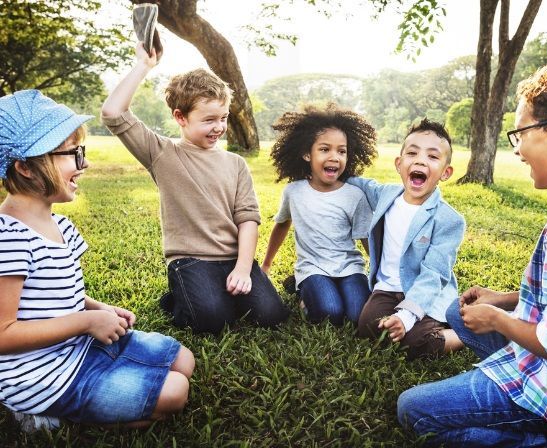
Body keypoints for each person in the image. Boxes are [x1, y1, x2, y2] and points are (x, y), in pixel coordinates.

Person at [397, 57, 547, 447]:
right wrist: (504, 299)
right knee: (456, 313)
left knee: (415, 411)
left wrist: (499, 319)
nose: (517, 150)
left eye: (519, 134)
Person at [0, 90, 194, 431]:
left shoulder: (61, 225)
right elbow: (4, 333)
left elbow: (57, 295)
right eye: (73, 154)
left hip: (80, 347)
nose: (84, 163)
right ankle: (47, 417)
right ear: (26, 167)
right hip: (44, 377)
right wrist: (85, 323)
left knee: (184, 361)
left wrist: (96, 308)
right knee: (175, 392)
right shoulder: (9, 239)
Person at [101, 43, 289, 335]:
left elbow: (248, 219)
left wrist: (242, 268)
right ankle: (178, 297)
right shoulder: (161, 153)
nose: (219, 127)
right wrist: (144, 66)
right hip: (190, 260)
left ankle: (219, 292)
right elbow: (113, 113)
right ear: (180, 117)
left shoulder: (236, 163)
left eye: (223, 118)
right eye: (209, 120)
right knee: (212, 321)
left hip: (232, 257)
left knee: (272, 315)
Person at [347, 119, 465, 359]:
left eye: (433, 157)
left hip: (426, 292)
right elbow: (358, 182)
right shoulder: (386, 195)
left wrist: (406, 315)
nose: (420, 160)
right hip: (387, 289)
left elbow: (434, 274)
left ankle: (461, 333)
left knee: (415, 341)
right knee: (368, 327)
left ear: (446, 172)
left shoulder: (449, 220)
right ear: (399, 164)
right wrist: (330, 171)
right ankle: (408, 324)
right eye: (412, 153)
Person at [260, 104, 376, 325]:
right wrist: (266, 265)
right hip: (313, 267)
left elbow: (365, 237)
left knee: (356, 316)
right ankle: (304, 292)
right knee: (329, 312)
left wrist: (381, 274)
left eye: (341, 151)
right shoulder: (294, 192)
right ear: (306, 153)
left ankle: (306, 289)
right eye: (325, 149)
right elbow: (282, 224)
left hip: (350, 267)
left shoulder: (354, 195)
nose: (335, 157)